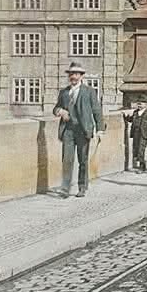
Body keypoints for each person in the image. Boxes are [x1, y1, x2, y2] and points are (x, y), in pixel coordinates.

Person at [52, 62, 105, 198]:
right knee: (67, 160)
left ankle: (82, 186)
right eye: (71, 74)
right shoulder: (64, 92)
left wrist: (100, 129)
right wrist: (60, 111)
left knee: (83, 160)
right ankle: (65, 188)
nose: (73, 77)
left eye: (76, 74)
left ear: (81, 76)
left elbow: (97, 111)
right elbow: (55, 108)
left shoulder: (89, 92)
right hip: (68, 131)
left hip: (83, 130)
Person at [124, 101, 147, 172]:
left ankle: (142, 166)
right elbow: (131, 120)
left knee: (141, 150)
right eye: (138, 104)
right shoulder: (135, 112)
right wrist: (126, 116)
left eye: (141, 104)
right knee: (136, 150)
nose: (139, 106)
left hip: (143, 134)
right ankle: (142, 164)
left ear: (145, 104)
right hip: (135, 133)